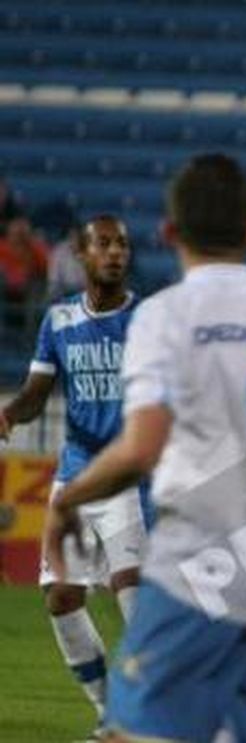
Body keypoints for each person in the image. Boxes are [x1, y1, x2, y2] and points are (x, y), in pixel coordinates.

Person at [41, 153, 246, 743]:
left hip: (197, 563)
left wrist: (68, 499)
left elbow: (141, 447)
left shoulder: (162, 316)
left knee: (130, 732)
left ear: (170, 232)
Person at [0, 215, 145, 739]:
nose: (115, 253)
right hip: (77, 476)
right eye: (103, 244)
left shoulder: (145, 319)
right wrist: (12, 413)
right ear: (81, 255)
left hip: (130, 477)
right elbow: (38, 391)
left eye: (122, 245)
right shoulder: (58, 321)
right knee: (62, 598)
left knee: (134, 602)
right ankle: (111, 715)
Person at [0, 215, 51, 334]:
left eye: (22, 232)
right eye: (15, 231)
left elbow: (47, 269)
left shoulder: (35, 248)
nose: (18, 235)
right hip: (6, 287)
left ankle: (29, 334)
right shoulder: (2, 247)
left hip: (29, 288)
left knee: (36, 288)